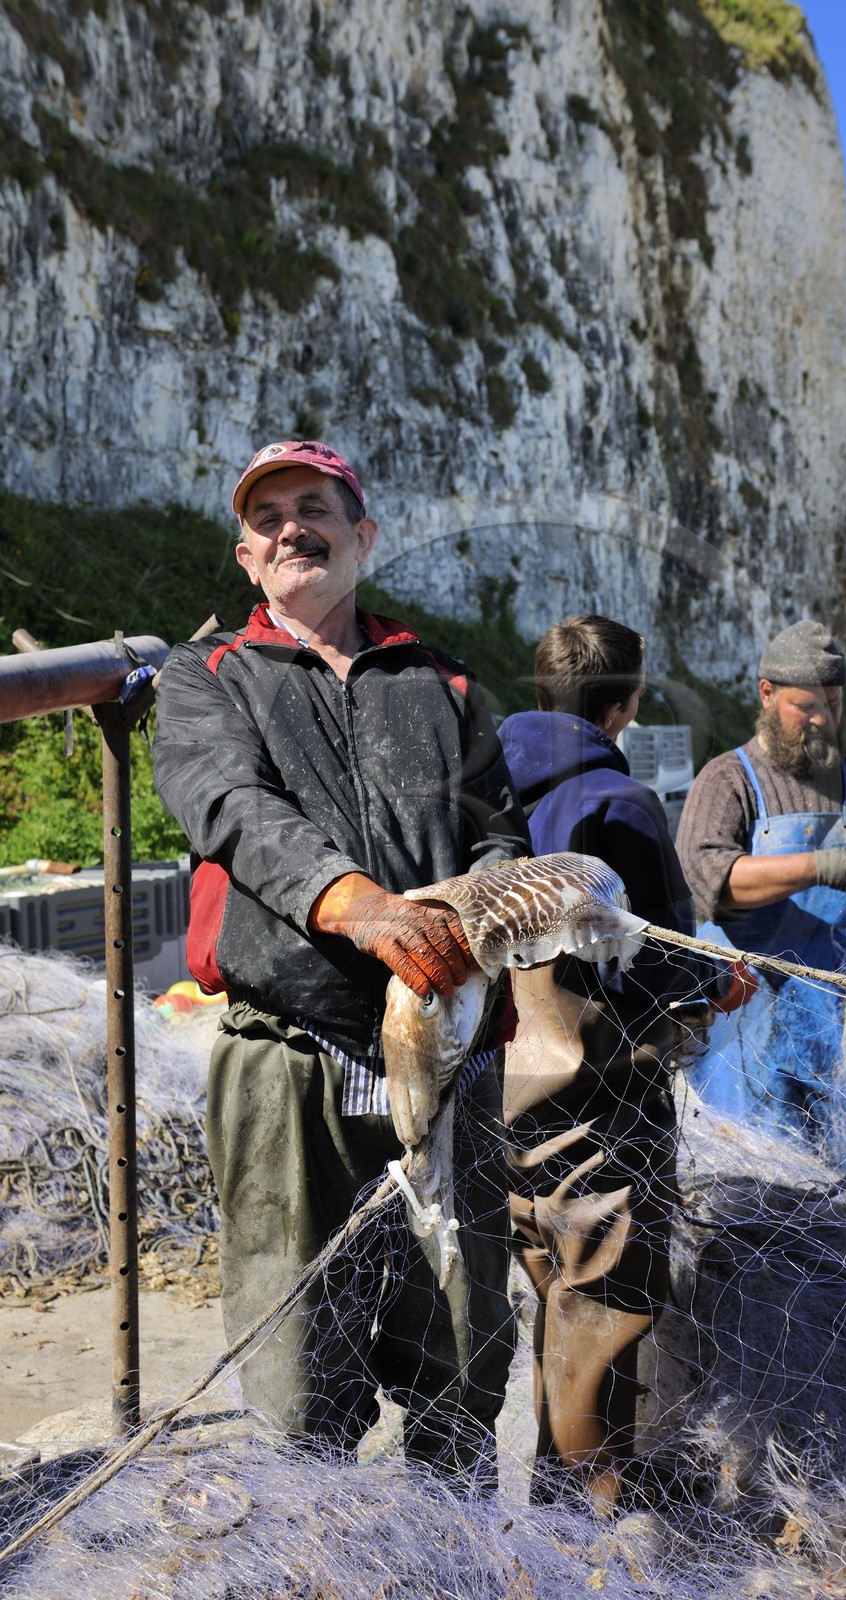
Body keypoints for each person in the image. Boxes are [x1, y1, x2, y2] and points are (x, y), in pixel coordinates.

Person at [153, 439, 530, 1483]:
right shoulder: (208, 675)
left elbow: (498, 834)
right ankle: (311, 1549)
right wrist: (352, 902)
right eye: (267, 517)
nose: (291, 529)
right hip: (288, 1056)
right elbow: (225, 803)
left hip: (448, 1055)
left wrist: (471, 918)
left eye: (312, 507)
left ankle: (442, 1544)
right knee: (292, 1354)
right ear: (245, 556)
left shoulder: (443, 681)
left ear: (362, 535)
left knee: (460, 1335)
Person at [497, 614, 742, 1517]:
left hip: (509, 1089)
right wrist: (715, 978)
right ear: (627, 700)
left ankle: (559, 1495)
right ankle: (593, 1507)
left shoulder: (489, 792)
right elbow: (650, 961)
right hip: (601, 1094)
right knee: (605, 1299)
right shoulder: (617, 804)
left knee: (551, 1294)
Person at [675, 617, 846, 1206]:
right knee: (760, 1200)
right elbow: (713, 880)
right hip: (753, 1029)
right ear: (767, 695)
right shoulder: (727, 781)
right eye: (806, 706)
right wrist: (822, 867)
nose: (822, 718)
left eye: (832, 703)